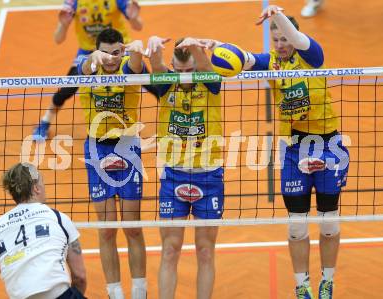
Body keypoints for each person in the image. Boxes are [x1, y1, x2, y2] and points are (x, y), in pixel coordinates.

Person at [202, 5, 349, 299]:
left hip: (328, 144)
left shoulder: (312, 55)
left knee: (329, 222)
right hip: (294, 149)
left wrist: (278, 15)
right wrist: (214, 46)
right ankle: (302, 285)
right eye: (276, 39)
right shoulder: (269, 62)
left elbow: (299, 38)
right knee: (296, 226)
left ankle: (327, 281)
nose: (281, 45)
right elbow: (241, 59)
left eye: (285, 39)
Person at [146, 36, 224, 299]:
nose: (185, 78)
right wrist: (154, 46)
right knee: (170, 249)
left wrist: (196, 48)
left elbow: (206, 66)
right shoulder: (167, 85)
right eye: (179, 72)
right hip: (173, 175)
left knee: (204, 250)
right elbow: (155, 65)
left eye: (190, 71)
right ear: (172, 68)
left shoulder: (210, 83)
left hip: (209, 175)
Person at [77, 28, 147, 299]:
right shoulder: (89, 69)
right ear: (97, 51)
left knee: (132, 228)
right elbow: (85, 65)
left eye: (116, 52)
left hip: (128, 149)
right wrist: (94, 56)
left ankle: (139, 292)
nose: (110, 58)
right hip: (97, 150)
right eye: (105, 52)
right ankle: (114, 292)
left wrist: (136, 47)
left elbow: (138, 59)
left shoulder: (129, 69)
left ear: (122, 50)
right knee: (106, 230)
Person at [32, 0, 143, 141]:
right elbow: (58, 39)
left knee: (150, 82)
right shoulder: (74, 2)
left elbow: (138, 26)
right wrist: (64, 25)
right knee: (66, 90)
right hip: (87, 53)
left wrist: (133, 17)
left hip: (118, 51)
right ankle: (45, 121)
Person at [0, 163, 87, 299]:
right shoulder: (58, 217)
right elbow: (80, 277)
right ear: (36, 188)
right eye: (42, 182)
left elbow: (5, 271)